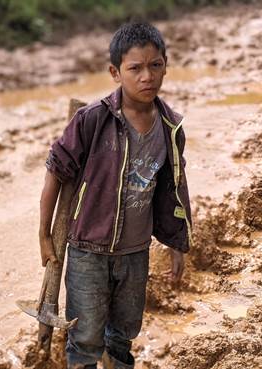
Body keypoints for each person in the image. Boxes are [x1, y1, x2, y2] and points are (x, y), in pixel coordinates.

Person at [39, 22, 193, 369]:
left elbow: (175, 188)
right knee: (85, 336)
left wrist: (177, 243)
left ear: (166, 65)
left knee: (124, 332)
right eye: (135, 68)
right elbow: (55, 170)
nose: (147, 77)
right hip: (87, 252)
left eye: (155, 65)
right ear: (115, 72)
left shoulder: (170, 127)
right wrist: (44, 235)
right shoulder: (92, 119)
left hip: (135, 253)